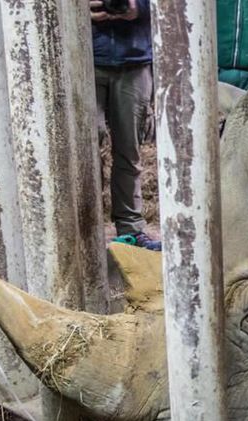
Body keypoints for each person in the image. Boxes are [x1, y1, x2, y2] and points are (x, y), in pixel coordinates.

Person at [90, 0, 161, 251]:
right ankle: (85, 227)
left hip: (135, 60)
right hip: (85, 57)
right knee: (86, 148)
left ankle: (131, 229)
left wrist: (138, 6)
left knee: (129, 149)